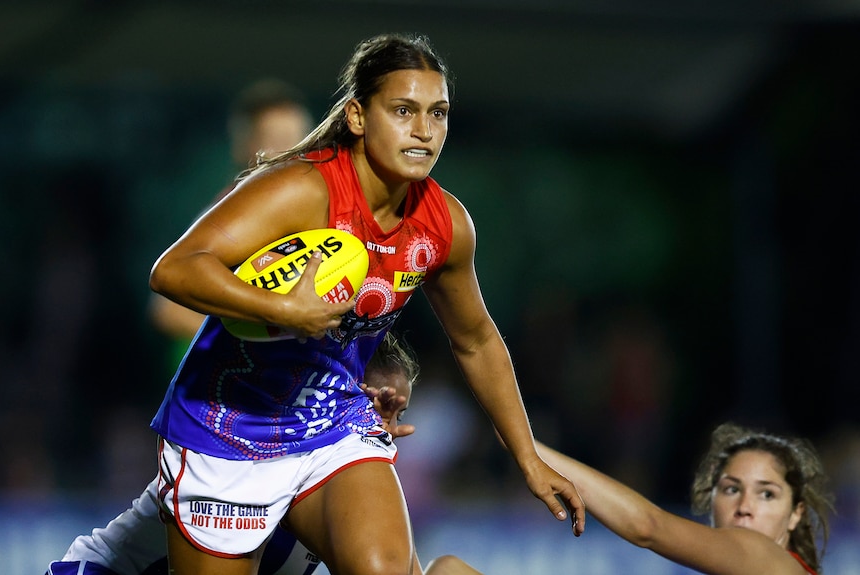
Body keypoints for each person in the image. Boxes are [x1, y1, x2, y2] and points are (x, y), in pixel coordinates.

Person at [147, 32, 583, 575]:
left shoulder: (446, 225)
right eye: (404, 111)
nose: (425, 131)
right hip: (226, 431)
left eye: (438, 113)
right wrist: (283, 309)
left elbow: (475, 340)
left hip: (333, 424)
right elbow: (173, 270)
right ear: (357, 116)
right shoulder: (303, 189)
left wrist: (528, 459)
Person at [47, 333, 422, 575]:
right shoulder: (280, 462)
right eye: (369, 403)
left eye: (394, 413)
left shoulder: (348, 480)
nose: (380, 421)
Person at [512, 422, 832, 575]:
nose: (745, 508)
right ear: (711, 499)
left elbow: (648, 525)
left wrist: (528, 451)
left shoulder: (771, 561)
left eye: (767, 494)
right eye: (732, 489)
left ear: (795, 514)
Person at [149, 78, 314, 350]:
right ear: (245, 146)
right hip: (217, 385)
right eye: (278, 140)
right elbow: (168, 312)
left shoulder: (309, 211)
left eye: (302, 139)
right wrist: (264, 334)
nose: (294, 151)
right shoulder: (228, 212)